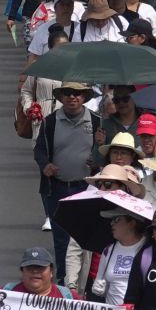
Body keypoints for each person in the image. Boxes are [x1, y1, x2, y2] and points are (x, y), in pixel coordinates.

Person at [34, 82, 98, 263]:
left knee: (85, 237)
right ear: (61, 97)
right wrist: (45, 165)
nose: (72, 97)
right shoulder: (50, 121)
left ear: (84, 97)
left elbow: (105, 152)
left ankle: (83, 277)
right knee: (61, 240)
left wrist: (97, 161)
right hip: (58, 188)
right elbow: (39, 150)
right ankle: (62, 276)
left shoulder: (96, 121)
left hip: (87, 189)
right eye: (68, 93)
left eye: (77, 93)